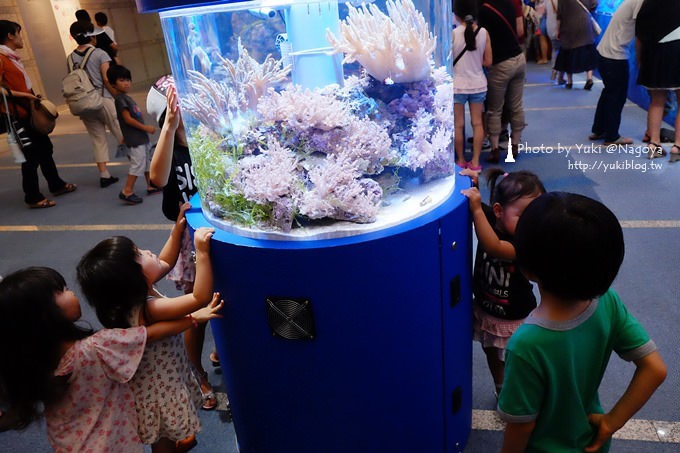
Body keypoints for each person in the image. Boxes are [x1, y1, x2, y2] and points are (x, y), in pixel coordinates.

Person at [499, 192, 667, 452]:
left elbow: (521, 426)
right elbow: (654, 368)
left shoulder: (526, 344)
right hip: (591, 441)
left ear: (526, 266)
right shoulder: (607, 302)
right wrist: (612, 422)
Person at [0, 266, 222, 452]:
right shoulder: (95, 347)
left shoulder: (32, 359)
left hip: (70, 443)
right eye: (63, 290)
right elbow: (150, 334)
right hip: (112, 442)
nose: (72, 293)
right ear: (45, 315)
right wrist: (193, 318)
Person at [77, 209, 217, 452]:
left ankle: (172, 441)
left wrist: (176, 231)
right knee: (161, 434)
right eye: (140, 254)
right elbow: (199, 297)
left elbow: (163, 262)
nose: (148, 251)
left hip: (153, 381)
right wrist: (201, 252)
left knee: (162, 430)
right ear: (135, 279)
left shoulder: (127, 299)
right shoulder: (151, 308)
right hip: (160, 385)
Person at [147, 75, 219, 410]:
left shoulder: (203, 136)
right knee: (196, 307)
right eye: (178, 102)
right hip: (191, 242)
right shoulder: (170, 149)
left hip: (219, 230)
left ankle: (222, 350)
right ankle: (198, 373)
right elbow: (156, 178)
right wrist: (169, 125)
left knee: (224, 296)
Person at [461, 169, 545, 398]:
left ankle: (524, 394)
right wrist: (474, 186)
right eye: (524, 216)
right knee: (491, 353)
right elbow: (483, 217)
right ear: (498, 211)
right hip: (486, 310)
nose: (532, 225)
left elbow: (494, 247)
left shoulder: (523, 243)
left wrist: (477, 208)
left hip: (513, 317)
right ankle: (501, 389)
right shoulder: (490, 218)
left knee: (516, 360)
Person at [0, 20, 76, 209]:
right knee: (30, 155)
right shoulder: (1, 57)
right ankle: (32, 196)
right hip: (15, 115)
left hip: (27, 112)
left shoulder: (10, 57)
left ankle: (56, 184)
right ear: (10, 35)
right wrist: (25, 95)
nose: (21, 37)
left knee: (45, 149)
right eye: (19, 33)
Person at [68, 20, 123, 187]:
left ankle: (104, 174)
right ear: (91, 37)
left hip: (84, 103)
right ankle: (139, 165)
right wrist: (119, 97)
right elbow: (106, 79)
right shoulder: (100, 54)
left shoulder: (70, 58)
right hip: (103, 99)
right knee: (122, 132)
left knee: (97, 138)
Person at [478, 0, 527, 163]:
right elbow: (520, 31)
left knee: (494, 109)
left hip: (500, 64)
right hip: (519, 59)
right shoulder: (509, 3)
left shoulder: (483, 10)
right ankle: (515, 145)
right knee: (516, 106)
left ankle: (494, 149)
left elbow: (482, 40)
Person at [589, 0, 643, 146]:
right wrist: (640, 61)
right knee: (617, 97)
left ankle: (599, 129)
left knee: (608, 93)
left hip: (606, 53)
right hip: (615, 56)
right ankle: (612, 136)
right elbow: (640, 34)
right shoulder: (639, 3)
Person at [635, 0, 680, 161]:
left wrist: (640, 60)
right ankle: (678, 146)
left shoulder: (648, 4)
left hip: (653, 55)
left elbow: (639, 34)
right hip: (677, 50)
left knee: (656, 101)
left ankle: (654, 145)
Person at [107, 64, 157, 205]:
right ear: (113, 84)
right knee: (138, 164)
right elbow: (127, 119)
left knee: (147, 162)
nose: (126, 83)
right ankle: (127, 191)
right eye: (122, 80)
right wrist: (146, 128)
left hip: (140, 138)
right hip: (136, 140)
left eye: (128, 80)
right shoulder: (120, 99)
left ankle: (151, 185)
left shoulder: (126, 98)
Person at [452, 2, 492, 171]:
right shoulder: (483, 32)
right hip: (478, 85)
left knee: (458, 125)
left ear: (456, 15)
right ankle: (475, 162)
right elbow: (488, 62)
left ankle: (460, 160)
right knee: (477, 123)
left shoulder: (454, 34)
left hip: (457, 86)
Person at [554, 0, 599, 90]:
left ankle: (570, 82)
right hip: (585, 23)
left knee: (568, 51)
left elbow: (560, 13)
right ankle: (589, 78)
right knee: (587, 50)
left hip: (568, 24)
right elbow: (594, 4)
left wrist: (557, 30)